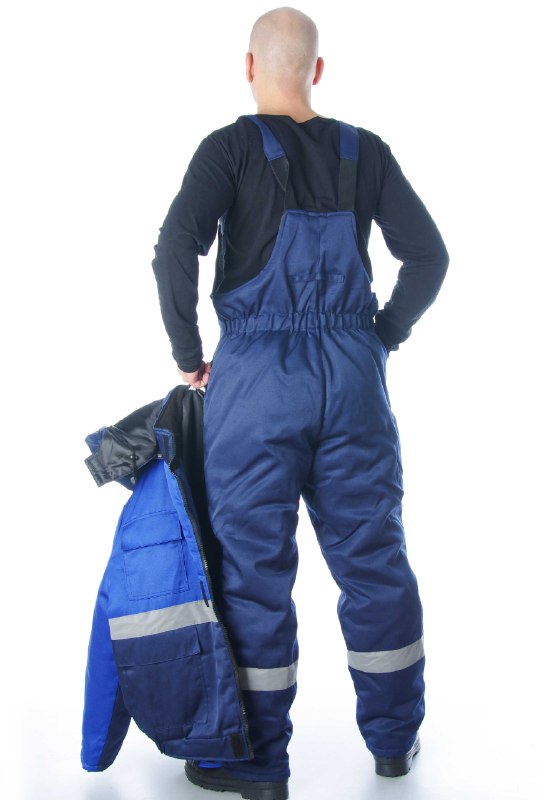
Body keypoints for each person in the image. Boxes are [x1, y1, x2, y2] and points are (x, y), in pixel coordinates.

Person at [151, 6, 449, 799]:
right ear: (317, 71)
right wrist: (380, 336)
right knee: (375, 562)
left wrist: (188, 356)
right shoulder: (366, 151)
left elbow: (175, 246)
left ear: (250, 67)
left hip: (255, 385)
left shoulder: (228, 149)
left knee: (253, 574)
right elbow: (429, 255)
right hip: (352, 382)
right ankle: (394, 744)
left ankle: (256, 762)